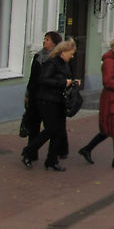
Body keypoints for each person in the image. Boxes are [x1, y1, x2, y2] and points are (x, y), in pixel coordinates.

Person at [22, 39, 79, 171]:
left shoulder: (65, 63)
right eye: (70, 53)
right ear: (63, 52)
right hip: (47, 101)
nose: (72, 56)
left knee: (58, 132)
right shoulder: (52, 62)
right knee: (51, 129)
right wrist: (64, 82)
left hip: (59, 101)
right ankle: (28, 151)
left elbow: (65, 79)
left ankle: (51, 161)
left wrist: (73, 82)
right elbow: (43, 79)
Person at [78, 38, 114, 169]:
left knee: (110, 129)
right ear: (112, 47)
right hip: (112, 100)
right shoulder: (109, 62)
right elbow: (108, 82)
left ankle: (87, 149)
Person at [23, 31, 64, 159]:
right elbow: (32, 77)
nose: (44, 41)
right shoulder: (38, 56)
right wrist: (28, 93)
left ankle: (55, 154)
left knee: (51, 127)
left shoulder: (58, 59)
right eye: (44, 39)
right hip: (35, 95)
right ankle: (31, 154)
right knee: (34, 125)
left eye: (47, 39)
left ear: (55, 43)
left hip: (49, 97)